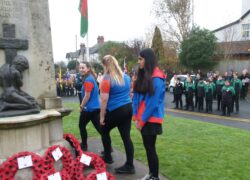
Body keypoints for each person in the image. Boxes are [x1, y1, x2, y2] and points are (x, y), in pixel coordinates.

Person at [133, 48, 166, 180]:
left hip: (151, 119)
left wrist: (141, 122)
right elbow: (136, 97)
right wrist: (136, 117)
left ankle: (155, 176)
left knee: (150, 148)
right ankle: (152, 174)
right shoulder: (143, 75)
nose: (138, 62)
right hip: (142, 118)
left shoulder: (157, 77)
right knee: (148, 147)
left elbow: (153, 103)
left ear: (148, 59)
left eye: (141, 59)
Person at [100, 55, 135, 174]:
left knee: (104, 130)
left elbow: (104, 99)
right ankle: (130, 165)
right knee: (126, 137)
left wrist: (101, 116)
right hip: (128, 108)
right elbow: (130, 93)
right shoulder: (126, 76)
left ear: (105, 65)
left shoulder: (106, 78)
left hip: (116, 109)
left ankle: (108, 157)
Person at [78, 61, 102, 151]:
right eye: (80, 68)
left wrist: (81, 106)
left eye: (83, 68)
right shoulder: (91, 78)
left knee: (81, 126)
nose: (81, 69)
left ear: (88, 68)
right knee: (100, 129)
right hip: (96, 108)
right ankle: (109, 147)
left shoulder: (88, 80)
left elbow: (87, 96)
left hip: (89, 109)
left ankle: (84, 145)